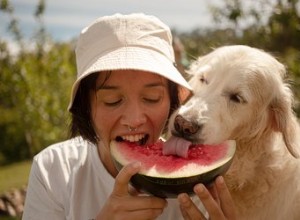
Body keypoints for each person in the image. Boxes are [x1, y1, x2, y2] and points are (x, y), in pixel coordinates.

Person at [22, 13, 236, 220]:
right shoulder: (53, 170)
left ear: (173, 102)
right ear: (85, 106)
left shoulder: (200, 184)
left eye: (152, 98)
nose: (134, 120)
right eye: (112, 101)